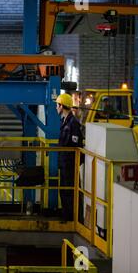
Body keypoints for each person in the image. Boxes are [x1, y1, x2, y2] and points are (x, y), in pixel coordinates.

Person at [55, 93, 84, 221]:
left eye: (57, 105)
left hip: (70, 163)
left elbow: (74, 144)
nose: (56, 108)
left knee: (70, 191)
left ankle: (72, 217)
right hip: (64, 163)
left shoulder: (73, 123)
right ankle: (67, 215)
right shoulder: (65, 121)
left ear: (61, 106)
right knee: (64, 190)